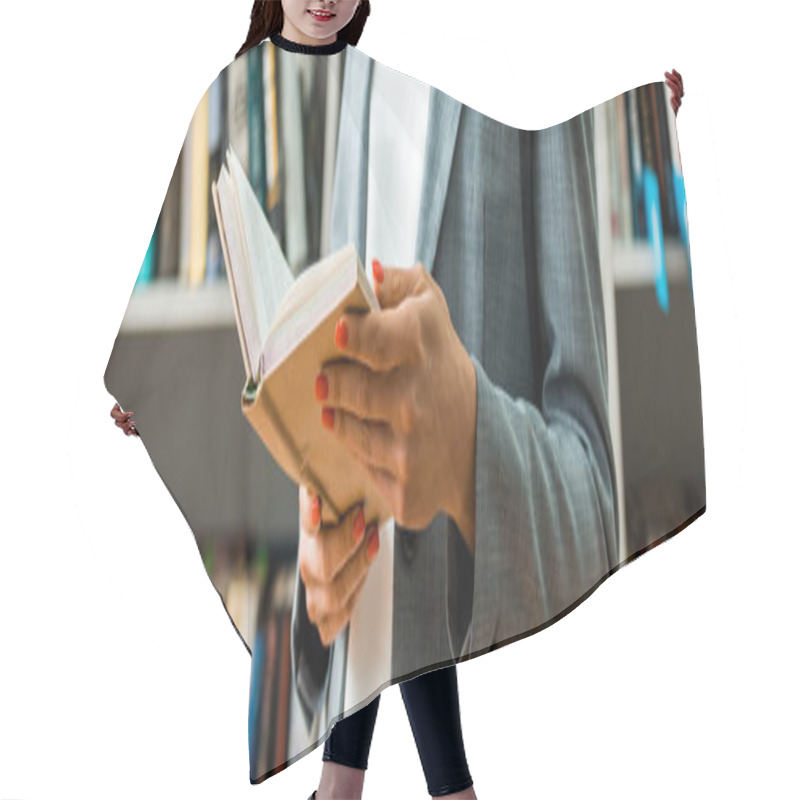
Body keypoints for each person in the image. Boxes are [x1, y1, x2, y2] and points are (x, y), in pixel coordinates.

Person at [110, 4, 687, 799]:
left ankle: (364, 788)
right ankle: (400, 788)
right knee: (371, 584)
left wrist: (634, 133)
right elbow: (194, 266)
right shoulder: (234, 94)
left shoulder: (402, 99)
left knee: (403, 572)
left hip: (428, 531)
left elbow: (592, 467)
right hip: (306, 512)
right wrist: (151, 380)